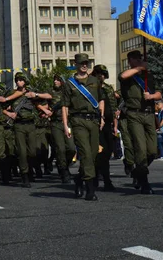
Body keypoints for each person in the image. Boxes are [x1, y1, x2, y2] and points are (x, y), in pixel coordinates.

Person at [62, 53, 106, 201]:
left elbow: (101, 100)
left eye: (86, 62)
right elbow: (65, 106)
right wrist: (65, 125)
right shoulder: (70, 83)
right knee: (86, 153)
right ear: (75, 64)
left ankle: (79, 179)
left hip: (93, 120)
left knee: (93, 155)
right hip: (78, 121)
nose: (84, 65)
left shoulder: (94, 80)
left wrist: (102, 117)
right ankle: (90, 188)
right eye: (81, 63)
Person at [119, 50, 162, 194]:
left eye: (139, 59)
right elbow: (123, 75)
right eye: (134, 59)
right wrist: (139, 68)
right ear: (130, 61)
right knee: (140, 149)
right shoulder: (128, 76)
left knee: (152, 151)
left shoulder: (148, 76)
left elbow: (159, 93)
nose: (136, 61)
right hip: (134, 114)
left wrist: (151, 96)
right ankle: (144, 182)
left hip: (149, 114)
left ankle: (138, 171)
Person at [91, 64, 117, 191]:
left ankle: (99, 174)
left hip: (108, 124)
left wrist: (115, 125)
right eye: (98, 73)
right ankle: (103, 179)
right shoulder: (91, 88)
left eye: (102, 74)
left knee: (108, 151)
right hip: (95, 124)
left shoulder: (108, 88)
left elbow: (113, 107)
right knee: (100, 151)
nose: (101, 76)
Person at [49, 75, 76, 184]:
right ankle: (64, 171)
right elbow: (43, 97)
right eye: (54, 79)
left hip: (68, 123)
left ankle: (63, 165)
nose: (55, 81)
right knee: (60, 148)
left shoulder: (69, 92)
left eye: (58, 80)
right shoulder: (51, 91)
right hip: (56, 123)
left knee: (71, 149)